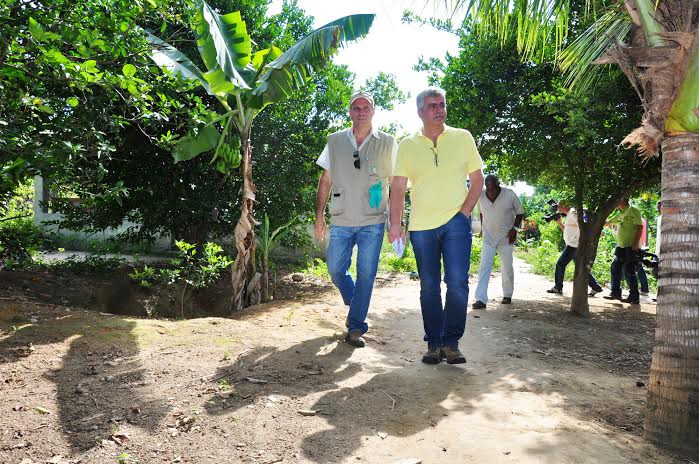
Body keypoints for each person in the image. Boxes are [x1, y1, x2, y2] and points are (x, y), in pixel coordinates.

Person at [388, 87, 484, 365]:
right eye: (432, 106)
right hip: (421, 227)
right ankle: (434, 343)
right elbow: (398, 186)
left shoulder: (462, 137)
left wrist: (464, 214)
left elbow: (477, 179)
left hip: (456, 223)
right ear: (420, 112)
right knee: (429, 286)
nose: (439, 110)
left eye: (441, 104)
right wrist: (396, 223)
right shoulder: (407, 145)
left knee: (456, 283)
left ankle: (451, 343)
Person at [314, 91, 397, 348]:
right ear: (350, 112)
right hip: (341, 218)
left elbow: (396, 184)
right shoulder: (335, 141)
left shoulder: (388, 142)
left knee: (367, 274)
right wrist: (319, 217)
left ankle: (356, 327)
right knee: (336, 269)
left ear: (373, 111)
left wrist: (397, 221)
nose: (361, 111)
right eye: (356, 107)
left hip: (373, 219)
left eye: (366, 107)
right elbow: (325, 180)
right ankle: (356, 300)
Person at [472, 175, 524, 309]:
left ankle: (507, 294)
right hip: (488, 238)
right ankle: (481, 299)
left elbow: (520, 212)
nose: (491, 192)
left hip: (506, 237)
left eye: (493, 188)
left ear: (498, 185)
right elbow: (482, 214)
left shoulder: (509, 194)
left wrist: (515, 229)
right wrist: (483, 230)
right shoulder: (481, 196)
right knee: (484, 267)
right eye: (488, 188)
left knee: (506, 266)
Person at [545, 201, 604, 296]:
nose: (558, 208)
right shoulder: (569, 214)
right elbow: (567, 230)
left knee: (560, 264)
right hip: (572, 244)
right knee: (581, 267)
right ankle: (596, 287)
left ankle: (558, 287)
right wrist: (559, 223)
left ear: (564, 206)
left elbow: (583, 226)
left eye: (559, 206)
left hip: (573, 245)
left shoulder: (573, 213)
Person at [603, 198, 643, 304]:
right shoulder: (620, 213)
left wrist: (635, 243)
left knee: (628, 271)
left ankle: (634, 296)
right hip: (621, 247)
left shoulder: (632, 210)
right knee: (615, 267)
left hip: (630, 247)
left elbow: (640, 227)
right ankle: (616, 292)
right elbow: (607, 223)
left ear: (621, 200)